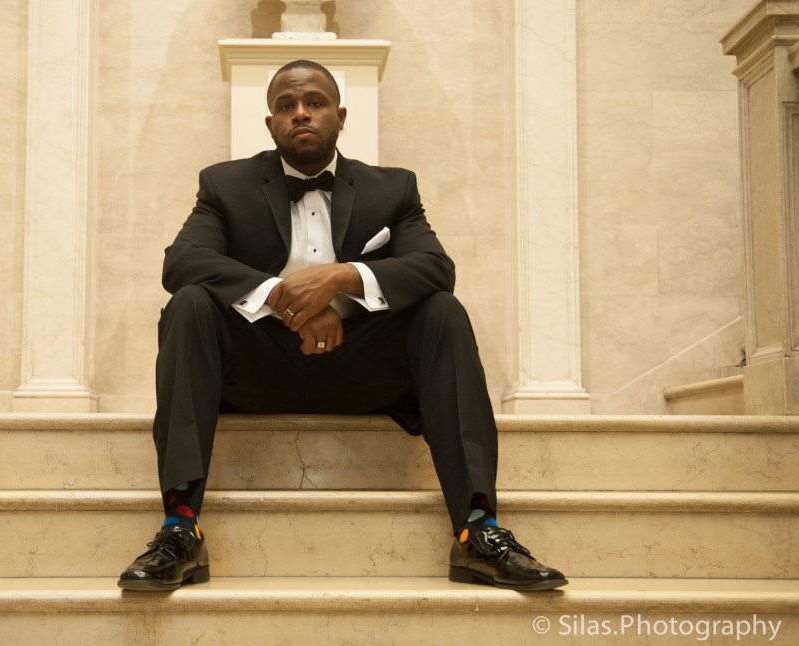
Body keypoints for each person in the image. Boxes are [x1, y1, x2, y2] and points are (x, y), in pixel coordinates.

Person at [118, 59, 567, 592]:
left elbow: (434, 267)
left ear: (341, 115)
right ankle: (180, 529)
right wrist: (284, 297)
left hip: (360, 370)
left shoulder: (393, 188)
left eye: (314, 102)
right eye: (286, 105)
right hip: (258, 370)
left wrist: (342, 278)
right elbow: (182, 262)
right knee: (189, 303)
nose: (300, 113)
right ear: (270, 123)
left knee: (443, 311)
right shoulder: (225, 183)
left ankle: (478, 531)